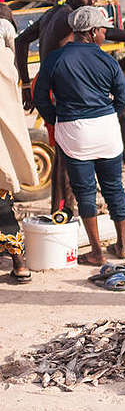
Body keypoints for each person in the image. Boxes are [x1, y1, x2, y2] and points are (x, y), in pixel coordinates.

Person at [14, 0, 125, 215]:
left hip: (46, 84)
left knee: (64, 152)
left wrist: (27, 84)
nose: (90, 2)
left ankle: (61, 209)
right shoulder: (71, 17)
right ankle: (63, 211)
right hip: (59, 89)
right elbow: (105, 33)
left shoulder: (52, 12)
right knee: (67, 154)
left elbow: (21, 41)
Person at [34, 7, 125, 265]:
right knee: (114, 187)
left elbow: (39, 96)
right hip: (107, 130)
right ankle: (122, 245)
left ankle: (97, 251)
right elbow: (123, 98)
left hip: (73, 131)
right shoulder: (108, 60)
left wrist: (55, 117)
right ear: (92, 32)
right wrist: (106, 113)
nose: (105, 35)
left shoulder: (55, 59)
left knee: (85, 191)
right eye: (103, 30)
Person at [0, 18, 38, 283]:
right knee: (3, 204)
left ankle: (19, 261)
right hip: (2, 148)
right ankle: (19, 263)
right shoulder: (5, 64)